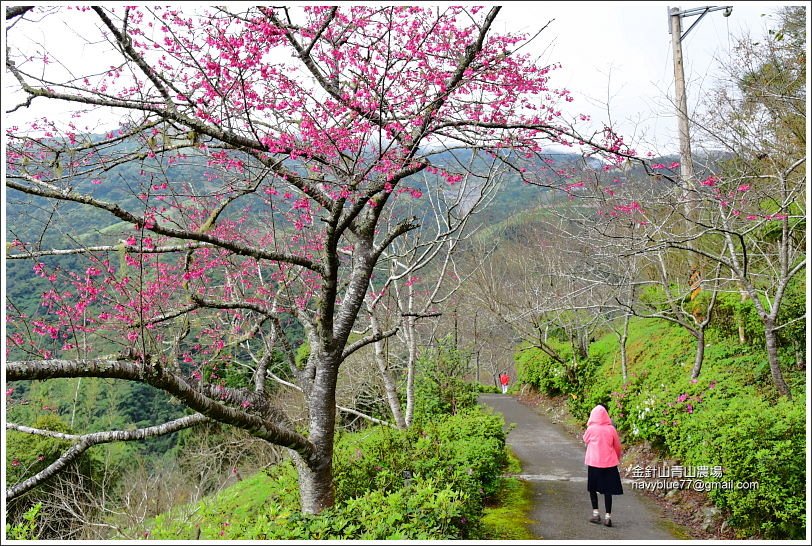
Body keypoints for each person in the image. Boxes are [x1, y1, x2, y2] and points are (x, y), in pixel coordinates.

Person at [583, 404, 623, 527]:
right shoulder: (611, 429)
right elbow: (617, 446)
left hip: (594, 463)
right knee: (608, 491)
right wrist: (617, 457)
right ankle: (608, 517)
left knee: (592, 488)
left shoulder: (591, 429)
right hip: (609, 463)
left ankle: (596, 514)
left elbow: (585, 439)